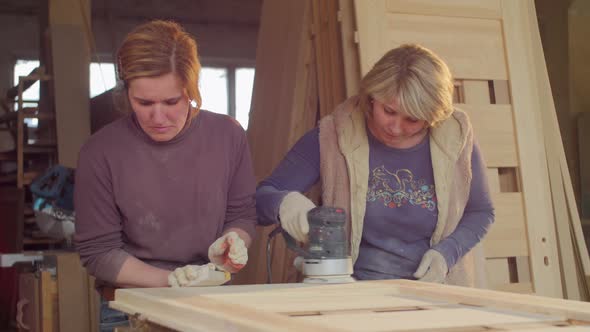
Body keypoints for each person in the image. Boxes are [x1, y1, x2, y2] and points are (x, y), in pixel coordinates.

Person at [256, 44, 494, 286]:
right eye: (389, 111)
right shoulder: (333, 135)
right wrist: (284, 203)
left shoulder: (455, 137)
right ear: (371, 97)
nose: (396, 127)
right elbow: (260, 199)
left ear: (432, 117)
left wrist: (447, 253)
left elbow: (481, 212)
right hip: (353, 290)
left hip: (433, 289)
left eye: (412, 119)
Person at [74, 20, 256, 330]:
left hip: (209, 300)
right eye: (143, 103)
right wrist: (169, 281)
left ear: (191, 90)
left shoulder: (228, 136)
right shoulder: (100, 151)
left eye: (171, 101)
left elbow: (242, 214)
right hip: (130, 305)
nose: (158, 117)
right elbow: (99, 252)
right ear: (126, 92)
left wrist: (233, 243)